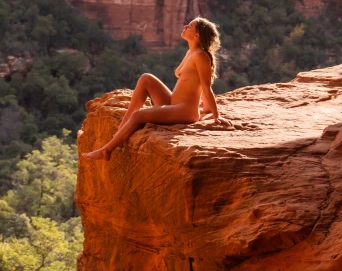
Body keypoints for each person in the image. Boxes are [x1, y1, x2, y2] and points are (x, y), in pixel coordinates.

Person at [82, 17, 232, 162]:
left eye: (189, 26)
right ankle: (122, 128)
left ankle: (106, 151)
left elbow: (206, 86)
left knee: (138, 116)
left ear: (196, 35)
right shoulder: (190, 52)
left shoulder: (201, 56)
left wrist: (215, 115)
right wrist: (206, 109)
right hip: (173, 102)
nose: (185, 26)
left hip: (185, 111)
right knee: (146, 78)